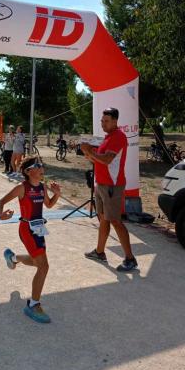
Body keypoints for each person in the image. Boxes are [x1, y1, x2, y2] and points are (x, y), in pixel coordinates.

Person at [0, 156, 61, 323]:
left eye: (42, 165)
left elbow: (49, 205)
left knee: (37, 263)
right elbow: (1, 202)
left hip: (39, 229)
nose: (42, 168)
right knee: (44, 266)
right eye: (38, 165)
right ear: (28, 171)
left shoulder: (42, 187)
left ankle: (12, 258)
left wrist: (57, 194)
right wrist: (1, 214)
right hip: (26, 229)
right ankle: (33, 304)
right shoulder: (21, 188)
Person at [81, 107, 137, 272]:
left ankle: (130, 258)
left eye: (106, 121)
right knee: (104, 219)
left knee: (115, 221)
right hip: (101, 184)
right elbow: (98, 159)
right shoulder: (107, 137)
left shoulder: (118, 137)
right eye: (102, 121)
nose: (103, 123)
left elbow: (106, 160)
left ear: (115, 121)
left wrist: (89, 151)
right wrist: (89, 153)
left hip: (112, 186)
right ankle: (99, 252)